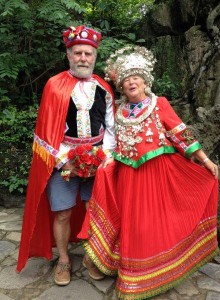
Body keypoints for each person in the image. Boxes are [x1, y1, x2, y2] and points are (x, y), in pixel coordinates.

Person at [78, 45, 219, 300]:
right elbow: (111, 142)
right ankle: (131, 277)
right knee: (133, 226)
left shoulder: (159, 104)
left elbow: (181, 134)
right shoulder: (117, 111)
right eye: (126, 79)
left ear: (145, 82)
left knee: (154, 224)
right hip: (128, 179)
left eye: (136, 77)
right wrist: (105, 159)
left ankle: (156, 273)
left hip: (159, 175)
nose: (131, 82)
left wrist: (205, 159)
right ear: (121, 86)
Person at [16, 25, 116, 286]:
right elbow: (47, 132)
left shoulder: (104, 87)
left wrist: (102, 156)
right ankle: (63, 259)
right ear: (69, 55)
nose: (83, 58)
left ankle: (91, 257)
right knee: (62, 213)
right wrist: (66, 160)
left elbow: (112, 126)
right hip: (63, 162)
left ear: (95, 56)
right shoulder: (54, 85)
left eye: (88, 54)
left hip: (97, 161)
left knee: (94, 211)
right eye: (78, 53)